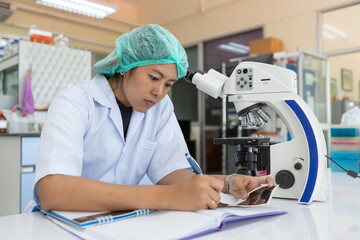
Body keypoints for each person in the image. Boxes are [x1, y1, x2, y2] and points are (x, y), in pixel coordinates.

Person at [25, 24, 275, 213]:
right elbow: (53, 191)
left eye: (168, 84)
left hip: (115, 223)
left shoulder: (160, 108)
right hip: (59, 223)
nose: (159, 92)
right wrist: (167, 198)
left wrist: (226, 184)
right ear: (125, 66)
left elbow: (172, 173)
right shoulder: (75, 102)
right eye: (154, 78)